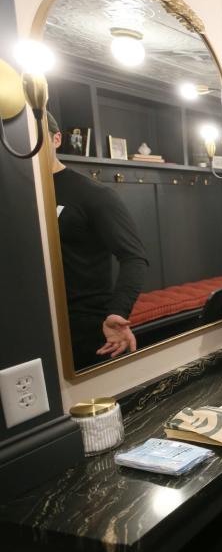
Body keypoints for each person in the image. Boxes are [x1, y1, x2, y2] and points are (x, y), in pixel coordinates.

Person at [47, 113, 148, 369]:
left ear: (56, 139)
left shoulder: (92, 194)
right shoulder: (13, 197)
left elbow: (133, 257)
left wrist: (118, 311)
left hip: (87, 326)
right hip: (31, 326)